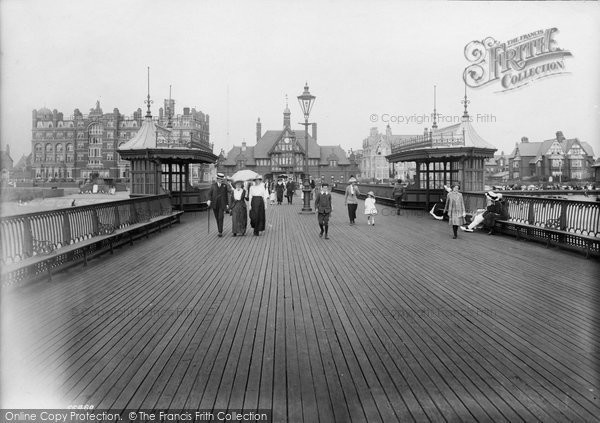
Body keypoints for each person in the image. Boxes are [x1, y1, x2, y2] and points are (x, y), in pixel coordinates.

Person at [207, 172, 231, 237]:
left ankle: (220, 231)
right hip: (215, 204)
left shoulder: (224, 186)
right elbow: (209, 194)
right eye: (219, 179)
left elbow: (226, 196)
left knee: (221, 217)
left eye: (222, 179)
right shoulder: (213, 186)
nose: (221, 180)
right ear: (217, 179)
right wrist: (209, 200)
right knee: (217, 218)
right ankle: (219, 229)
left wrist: (227, 204)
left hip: (222, 204)